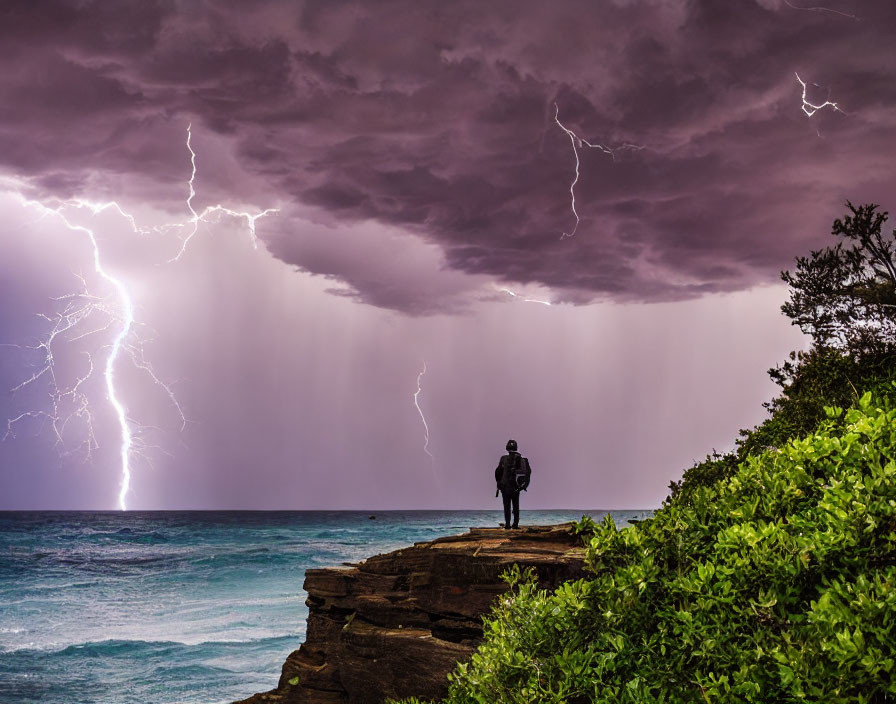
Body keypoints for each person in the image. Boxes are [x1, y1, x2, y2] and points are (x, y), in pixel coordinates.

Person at [494, 439, 531, 529]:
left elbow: (498, 472)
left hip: (505, 487)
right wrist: (522, 486)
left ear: (507, 448)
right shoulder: (521, 459)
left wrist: (499, 484)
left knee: (507, 506)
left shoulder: (503, 458)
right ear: (516, 447)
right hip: (516, 487)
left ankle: (507, 525)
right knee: (516, 506)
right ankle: (515, 524)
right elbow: (528, 472)